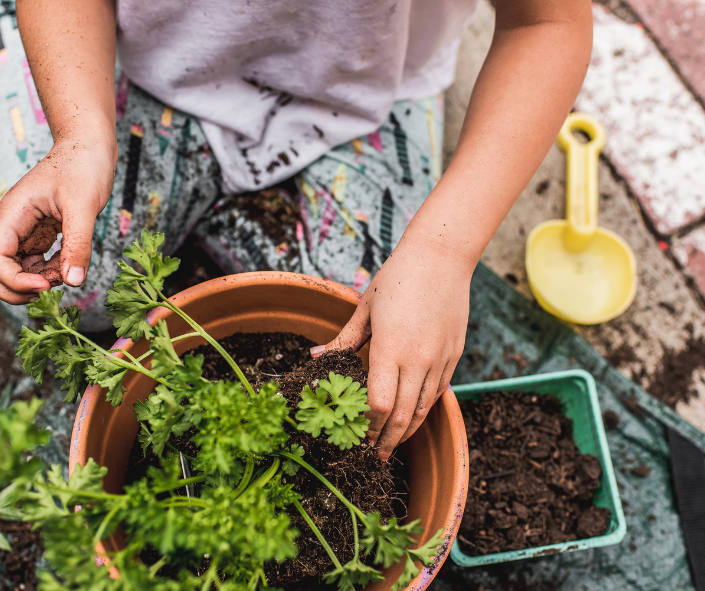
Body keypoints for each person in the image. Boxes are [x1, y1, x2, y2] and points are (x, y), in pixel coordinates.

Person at [0, 0, 592, 460]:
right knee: (51, 284)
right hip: (144, 60)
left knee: (369, 352)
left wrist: (444, 250)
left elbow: (546, 24)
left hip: (367, 93)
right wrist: (78, 134)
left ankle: (229, 213)